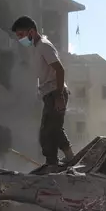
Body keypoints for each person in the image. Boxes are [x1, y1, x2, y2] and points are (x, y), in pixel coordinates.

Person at [11, 16, 74, 169]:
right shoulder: (37, 48)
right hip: (49, 94)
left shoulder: (44, 46)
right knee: (55, 129)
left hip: (55, 92)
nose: (20, 39)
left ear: (31, 32)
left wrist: (59, 97)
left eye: (21, 35)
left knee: (47, 134)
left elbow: (59, 69)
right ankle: (70, 158)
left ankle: (52, 164)